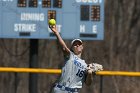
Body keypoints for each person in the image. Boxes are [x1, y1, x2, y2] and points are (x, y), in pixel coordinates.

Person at [49, 25, 101, 93]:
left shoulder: (86, 66)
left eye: (79, 44)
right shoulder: (70, 56)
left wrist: (90, 73)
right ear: (72, 48)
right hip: (61, 89)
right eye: (75, 44)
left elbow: (88, 83)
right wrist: (57, 33)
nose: (77, 45)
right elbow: (64, 48)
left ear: (82, 47)